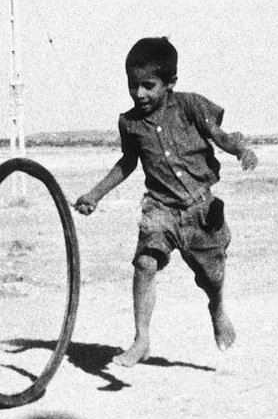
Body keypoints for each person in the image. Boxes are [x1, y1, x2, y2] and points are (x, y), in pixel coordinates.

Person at [72, 36, 258, 367]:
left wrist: (240, 149)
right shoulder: (129, 122)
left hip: (201, 209)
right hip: (160, 207)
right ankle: (141, 337)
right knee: (145, 263)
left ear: (170, 83)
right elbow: (127, 162)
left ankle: (216, 308)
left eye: (148, 85)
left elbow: (219, 135)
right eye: (133, 85)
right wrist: (95, 194)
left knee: (212, 277)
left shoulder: (191, 106)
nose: (139, 94)